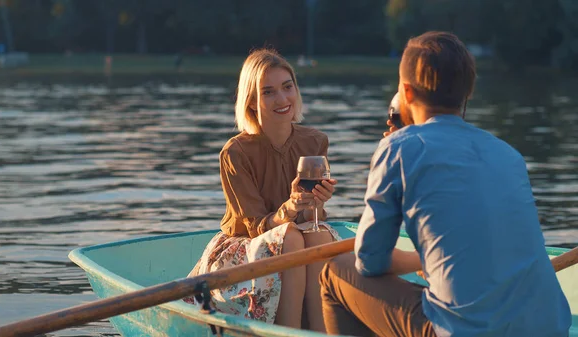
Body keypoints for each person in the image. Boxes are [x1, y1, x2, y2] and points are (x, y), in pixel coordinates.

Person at [319, 31, 571, 337]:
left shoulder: (397, 148)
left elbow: (369, 262)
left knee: (336, 272)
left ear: (407, 94)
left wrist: (417, 260)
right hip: (551, 327)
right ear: (468, 92)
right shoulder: (509, 154)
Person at [184, 48, 341, 332]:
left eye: (287, 87)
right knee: (290, 237)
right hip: (243, 249)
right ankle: (287, 330)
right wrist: (291, 207)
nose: (282, 99)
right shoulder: (235, 153)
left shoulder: (315, 142)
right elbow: (256, 226)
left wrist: (316, 202)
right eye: (268, 92)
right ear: (252, 102)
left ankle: (320, 330)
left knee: (318, 236)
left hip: (297, 235)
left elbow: (313, 217)